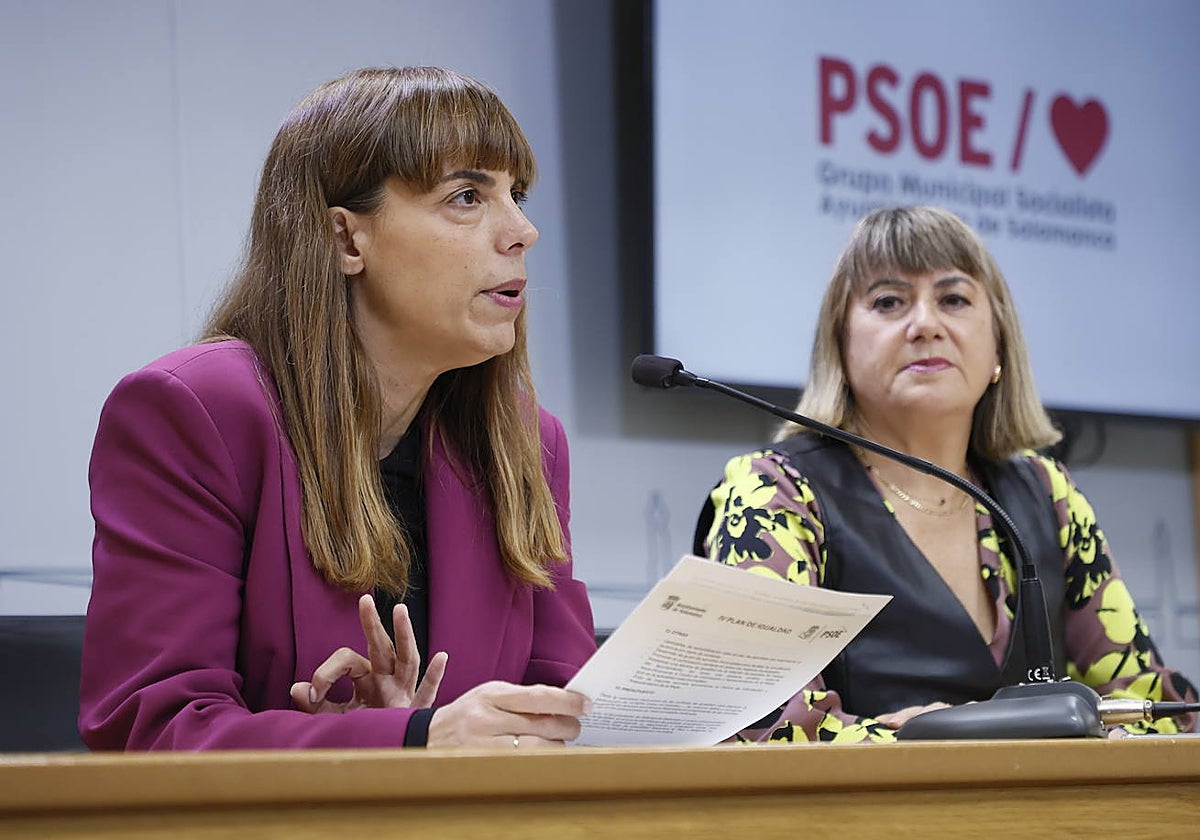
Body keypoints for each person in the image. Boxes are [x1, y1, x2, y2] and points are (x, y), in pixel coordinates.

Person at [79, 66, 596, 750]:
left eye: (516, 195)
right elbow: (153, 728)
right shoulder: (195, 413)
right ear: (348, 240)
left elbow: (571, 715)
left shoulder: (527, 444)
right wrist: (404, 740)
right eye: (468, 196)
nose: (523, 230)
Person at [695, 205, 1197, 743]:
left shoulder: (1049, 493)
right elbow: (768, 728)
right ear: (839, 344)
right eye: (889, 302)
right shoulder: (774, 491)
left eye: (953, 299)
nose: (925, 325)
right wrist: (928, 740)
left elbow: (1148, 707)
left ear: (998, 344)